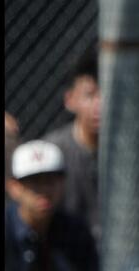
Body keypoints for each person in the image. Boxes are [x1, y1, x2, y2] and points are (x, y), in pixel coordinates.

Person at [5, 141, 99, 271]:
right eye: (34, 181)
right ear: (14, 188)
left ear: (63, 182)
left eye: (50, 180)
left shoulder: (76, 231)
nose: (44, 190)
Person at [41, 48, 101, 241]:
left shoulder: (134, 153)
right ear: (70, 100)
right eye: (90, 95)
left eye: (107, 93)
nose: (99, 105)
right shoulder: (51, 152)